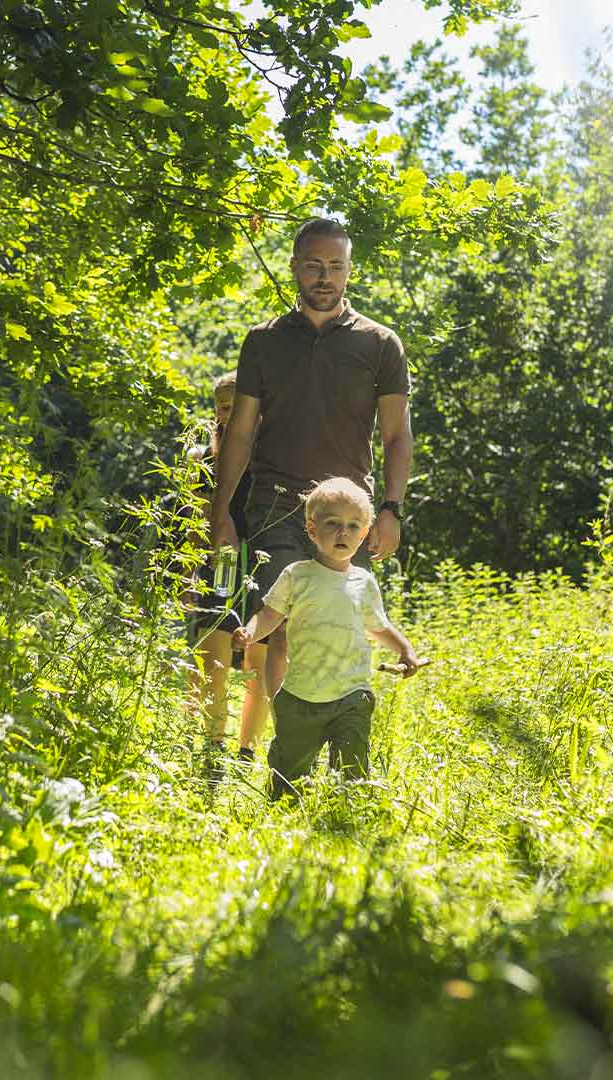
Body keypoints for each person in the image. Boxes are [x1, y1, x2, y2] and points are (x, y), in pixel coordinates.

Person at [210, 217, 412, 703]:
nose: (325, 276)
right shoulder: (264, 341)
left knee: (340, 628)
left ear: (348, 272)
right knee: (281, 627)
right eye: (315, 265)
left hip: (347, 511)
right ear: (295, 267)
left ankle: (334, 741)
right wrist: (220, 514)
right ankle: (288, 747)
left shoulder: (380, 344)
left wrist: (390, 508)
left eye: (336, 266)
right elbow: (238, 434)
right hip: (275, 506)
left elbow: (397, 434)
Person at [232, 477, 422, 798]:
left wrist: (405, 649)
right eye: (332, 523)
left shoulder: (364, 583)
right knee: (289, 779)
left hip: (351, 694)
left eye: (352, 526)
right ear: (311, 530)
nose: (342, 533)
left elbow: (378, 626)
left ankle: (344, 816)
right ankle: (283, 814)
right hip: (301, 696)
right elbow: (270, 615)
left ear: (364, 534)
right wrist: (250, 632)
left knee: (352, 771)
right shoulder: (296, 575)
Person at [185, 374, 271, 771]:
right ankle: (211, 745)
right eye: (222, 405)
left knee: (261, 655)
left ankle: (247, 751)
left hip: (266, 558)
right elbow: (195, 522)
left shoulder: (274, 456)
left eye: (238, 405)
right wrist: (189, 575)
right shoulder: (202, 457)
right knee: (214, 649)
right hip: (222, 558)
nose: (230, 413)